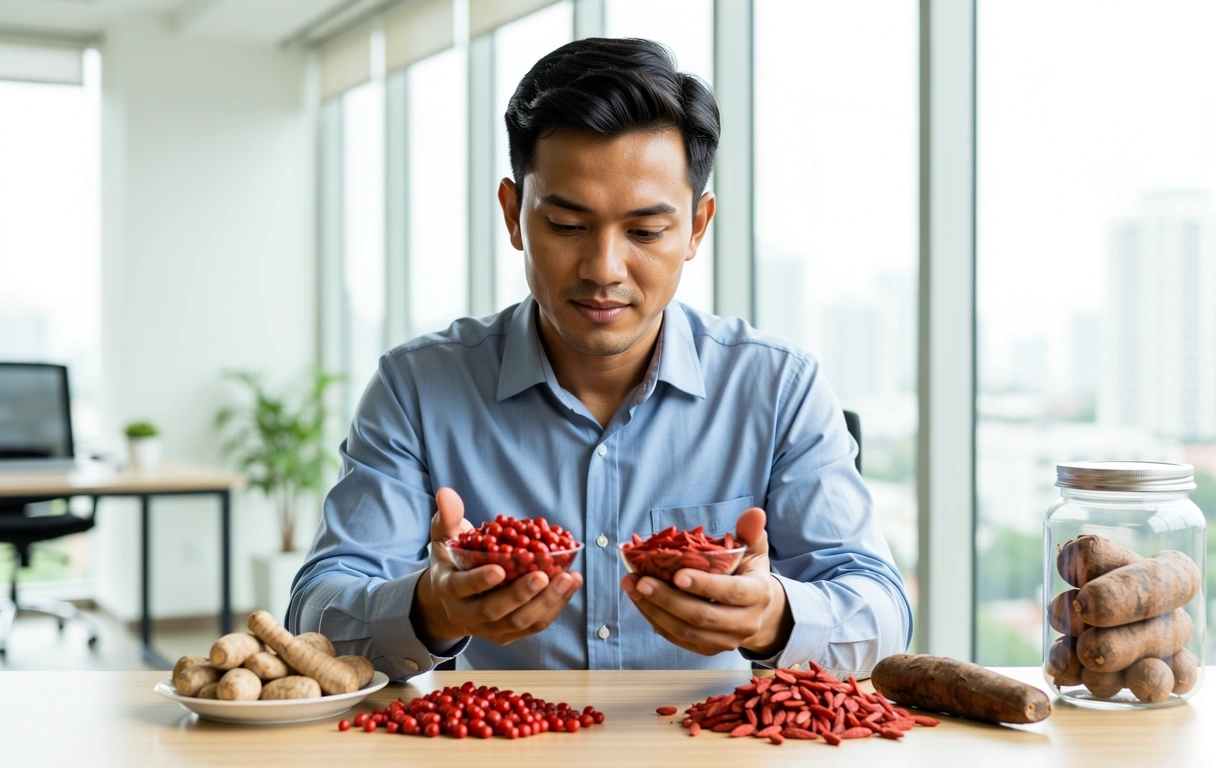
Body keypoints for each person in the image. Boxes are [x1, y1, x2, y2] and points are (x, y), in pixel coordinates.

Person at [288, 37, 911, 681]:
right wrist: (431, 609)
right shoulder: (418, 386)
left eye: (645, 232)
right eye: (566, 225)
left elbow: (882, 610)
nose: (603, 269)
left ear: (697, 227)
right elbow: (315, 609)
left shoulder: (779, 386)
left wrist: (773, 618)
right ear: (512, 215)